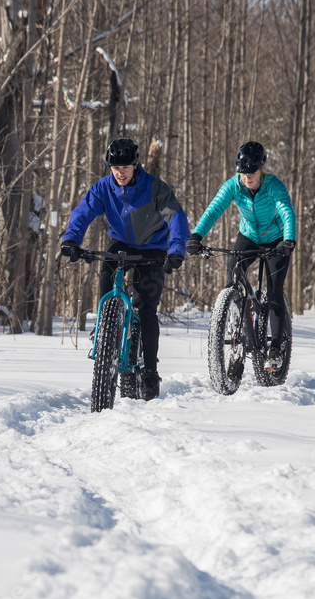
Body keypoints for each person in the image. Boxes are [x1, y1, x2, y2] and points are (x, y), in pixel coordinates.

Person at [60, 137, 190, 401]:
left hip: (153, 246)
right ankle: (106, 325)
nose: (119, 173)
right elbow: (82, 213)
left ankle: (151, 370)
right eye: (115, 168)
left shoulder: (155, 188)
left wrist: (176, 250)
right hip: (121, 242)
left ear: (135, 165)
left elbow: (176, 218)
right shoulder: (103, 188)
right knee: (107, 270)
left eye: (125, 167)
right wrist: (71, 240)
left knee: (146, 308)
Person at [186, 141, 297, 371]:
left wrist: (289, 239)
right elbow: (214, 208)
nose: (247, 176)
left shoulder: (273, 185)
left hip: (276, 239)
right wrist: (197, 235)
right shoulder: (234, 186)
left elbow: (286, 211)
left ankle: (275, 349)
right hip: (248, 236)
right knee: (233, 277)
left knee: (274, 290)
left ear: (261, 169)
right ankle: (239, 322)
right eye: (243, 172)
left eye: (252, 172)